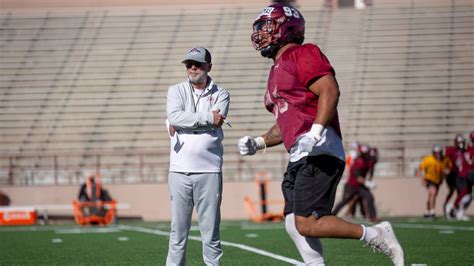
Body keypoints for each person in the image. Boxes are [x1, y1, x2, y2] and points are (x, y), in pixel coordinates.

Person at [237, 4, 404, 265]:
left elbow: (330, 90)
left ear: (287, 27)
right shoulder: (275, 71)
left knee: (306, 223)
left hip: (319, 149)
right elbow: (286, 123)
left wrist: (316, 132)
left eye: (267, 27)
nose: (261, 34)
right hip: (301, 152)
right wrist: (258, 142)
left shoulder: (301, 53)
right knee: (293, 222)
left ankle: (376, 234)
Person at [166, 46, 230, 266]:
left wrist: (182, 122)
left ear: (208, 67)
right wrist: (206, 119)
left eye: (198, 64)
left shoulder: (221, 93)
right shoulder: (175, 90)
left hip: (210, 170)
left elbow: (218, 120)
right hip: (179, 171)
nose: (193, 68)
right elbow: (174, 116)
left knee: (211, 234)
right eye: (189, 64)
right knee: (177, 234)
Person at [332, 144, 380, 223]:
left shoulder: (367, 161)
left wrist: (368, 182)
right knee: (344, 201)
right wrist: (368, 183)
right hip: (352, 185)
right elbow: (358, 178)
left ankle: (372, 217)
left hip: (360, 186)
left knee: (369, 197)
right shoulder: (359, 161)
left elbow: (369, 172)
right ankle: (332, 215)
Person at [417, 145, 451, 218]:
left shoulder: (445, 159)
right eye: (436, 153)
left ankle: (427, 211)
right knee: (433, 193)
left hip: (438, 181)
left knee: (432, 195)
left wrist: (447, 171)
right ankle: (432, 211)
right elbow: (420, 170)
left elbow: (449, 167)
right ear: (433, 153)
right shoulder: (428, 159)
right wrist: (422, 179)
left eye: (439, 153)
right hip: (429, 179)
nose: (438, 154)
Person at [446, 134, 472, 220]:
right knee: (464, 192)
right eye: (459, 143)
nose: (461, 144)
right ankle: (453, 208)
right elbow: (446, 160)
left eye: (462, 143)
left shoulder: (466, 150)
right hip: (459, 176)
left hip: (465, 175)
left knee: (469, 196)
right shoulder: (452, 151)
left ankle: (460, 211)